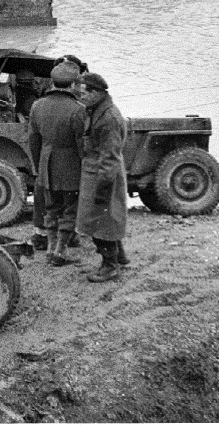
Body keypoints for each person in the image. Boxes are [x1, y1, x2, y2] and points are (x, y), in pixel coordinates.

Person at [28, 62, 85, 266]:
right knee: (70, 209)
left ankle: (50, 250)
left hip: (46, 165)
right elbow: (82, 146)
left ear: (52, 82)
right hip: (71, 168)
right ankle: (60, 251)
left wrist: (39, 167)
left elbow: (33, 141)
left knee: (51, 209)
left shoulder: (37, 106)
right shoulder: (79, 110)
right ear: (73, 84)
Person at [75, 73, 129, 282]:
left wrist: (102, 190)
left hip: (104, 174)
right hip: (96, 171)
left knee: (99, 218)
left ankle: (109, 265)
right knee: (108, 218)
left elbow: (110, 157)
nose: (81, 97)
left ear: (96, 93)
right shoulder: (97, 110)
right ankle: (119, 255)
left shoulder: (108, 118)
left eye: (84, 94)